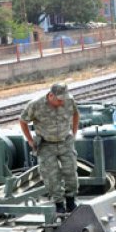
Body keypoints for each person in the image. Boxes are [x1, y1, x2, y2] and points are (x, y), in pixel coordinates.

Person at [19, 82, 81, 214]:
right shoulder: (36, 105)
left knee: (71, 172)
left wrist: (74, 133)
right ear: (51, 95)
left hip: (65, 141)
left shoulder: (69, 101)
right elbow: (23, 120)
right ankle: (59, 204)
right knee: (51, 176)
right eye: (59, 100)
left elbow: (76, 114)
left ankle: (71, 201)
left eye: (63, 99)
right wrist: (30, 140)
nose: (62, 103)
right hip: (46, 144)